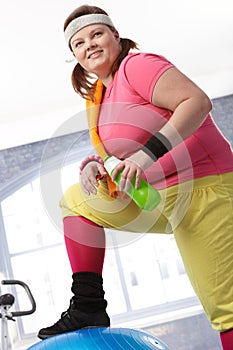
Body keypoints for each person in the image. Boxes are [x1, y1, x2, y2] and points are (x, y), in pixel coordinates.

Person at [38, 4, 233, 349]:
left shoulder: (137, 66)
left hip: (205, 186)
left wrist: (146, 155)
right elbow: (119, 153)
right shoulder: (102, 97)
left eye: (97, 34)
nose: (90, 45)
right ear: (75, 56)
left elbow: (197, 102)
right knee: (74, 201)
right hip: (161, 197)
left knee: (226, 309)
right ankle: (88, 306)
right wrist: (93, 165)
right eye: (79, 43)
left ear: (115, 35)